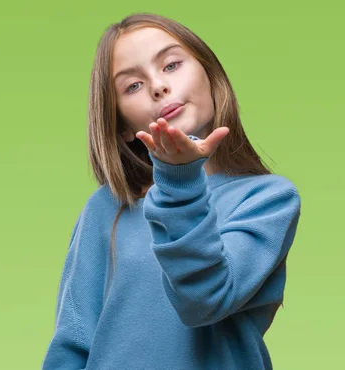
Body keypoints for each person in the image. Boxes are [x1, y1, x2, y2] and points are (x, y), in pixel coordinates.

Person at [41, 12, 302, 370]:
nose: (158, 87)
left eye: (171, 65)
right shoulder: (108, 208)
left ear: (211, 75)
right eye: (132, 86)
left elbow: (204, 302)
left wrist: (179, 179)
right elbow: (72, 342)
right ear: (123, 128)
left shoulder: (269, 200)